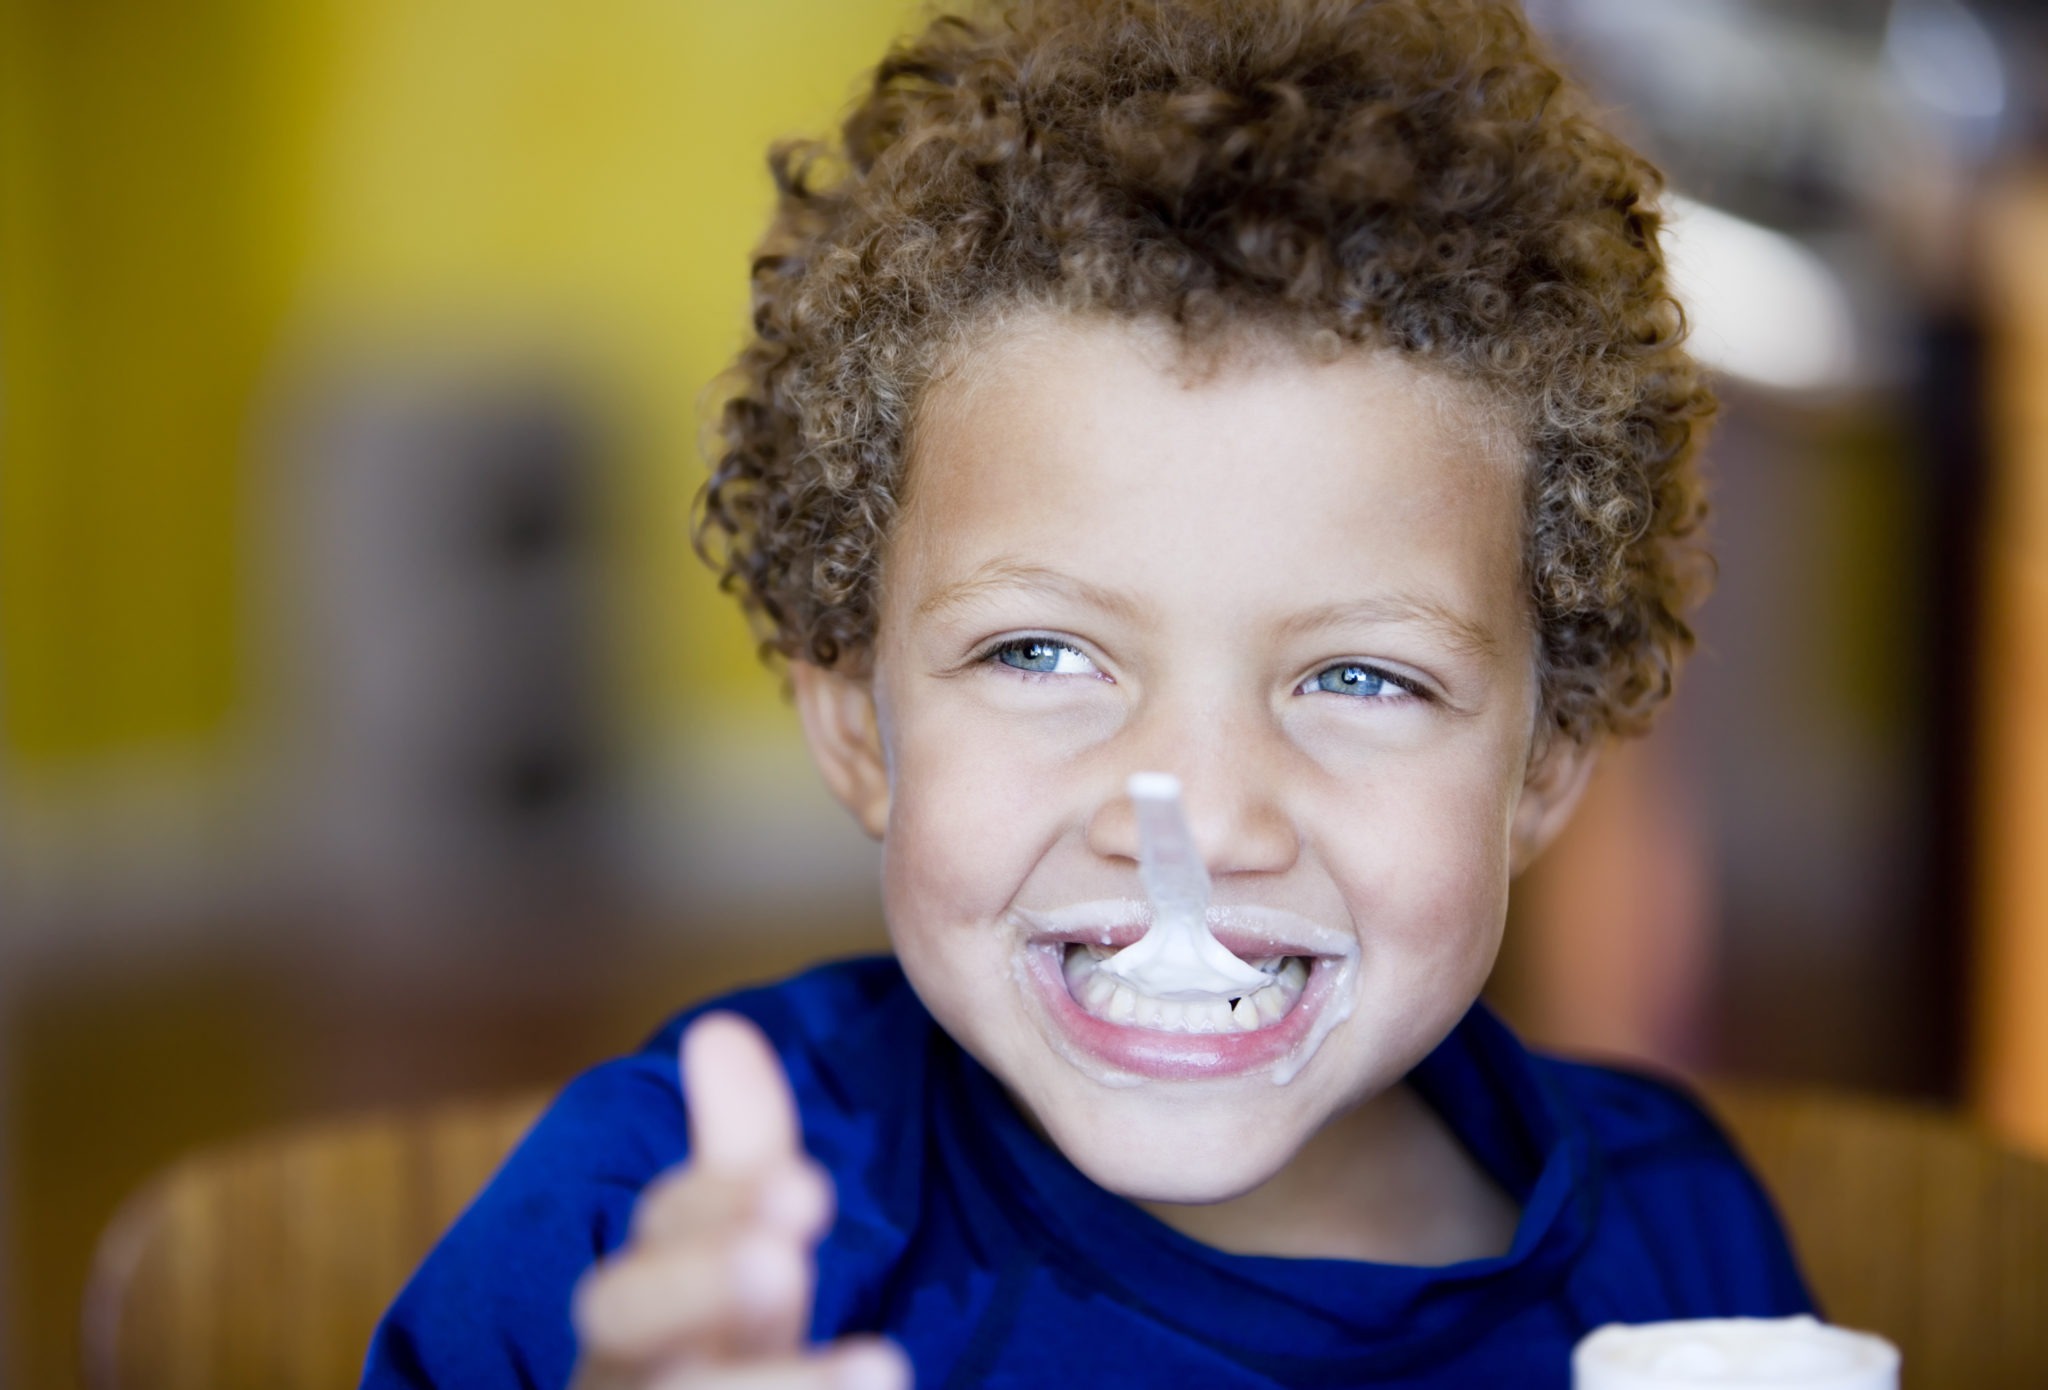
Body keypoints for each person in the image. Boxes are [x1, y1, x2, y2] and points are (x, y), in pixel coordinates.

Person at [362, 1, 1814, 1385]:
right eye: (1043, 654)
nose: (1197, 809)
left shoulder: (1685, 1249)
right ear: (859, 719)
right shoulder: (654, 1233)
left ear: (1543, 767)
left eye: (1360, 675)